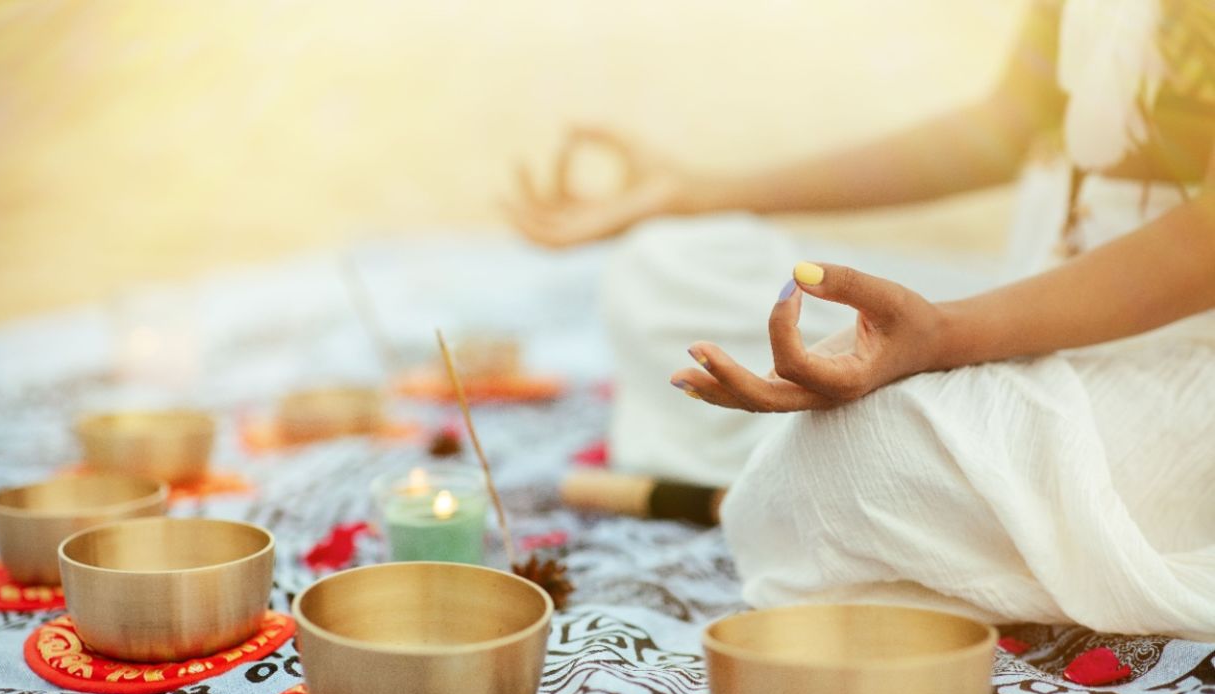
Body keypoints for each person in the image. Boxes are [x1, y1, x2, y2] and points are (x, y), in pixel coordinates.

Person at [507, 0, 1215, 637]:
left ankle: (814, 469)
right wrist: (699, 192)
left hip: (1185, 350)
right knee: (664, 266)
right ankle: (819, 471)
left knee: (869, 455)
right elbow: (1009, 124)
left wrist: (945, 334)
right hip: (1039, 289)